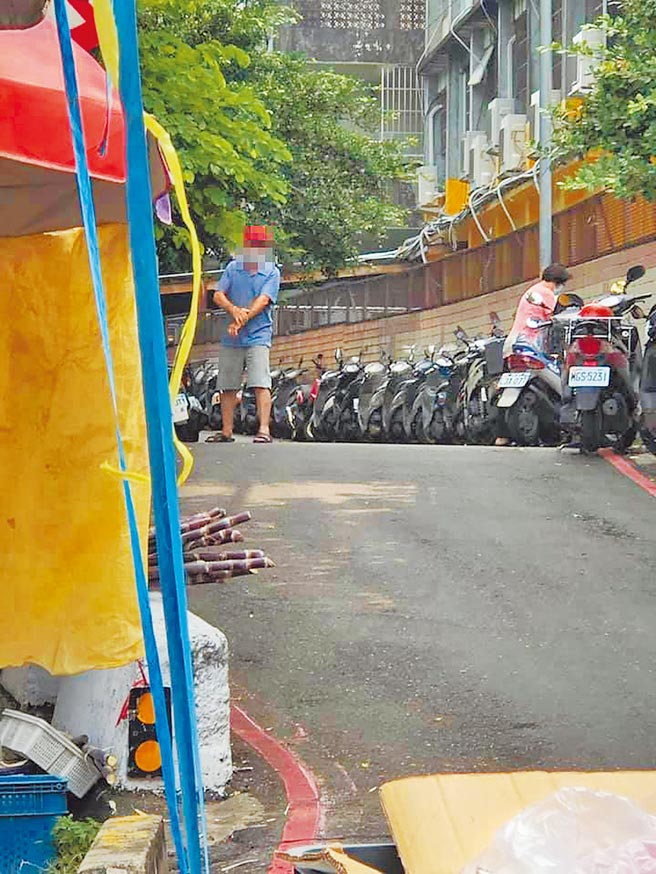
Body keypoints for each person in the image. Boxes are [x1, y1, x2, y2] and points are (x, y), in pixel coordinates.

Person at [207, 225, 280, 444]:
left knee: (260, 382)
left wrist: (242, 318)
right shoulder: (233, 268)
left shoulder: (271, 272)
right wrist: (234, 311)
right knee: (227, 384)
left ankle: (264, 430)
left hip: (258, 335)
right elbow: (218, 295)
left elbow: (263, 300)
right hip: (232, 337)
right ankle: (227, 431)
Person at [496, 263, 571, 446]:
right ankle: (572, 427)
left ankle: (502, 436)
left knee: (507, 389)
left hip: (513, 345)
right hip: (532, 346)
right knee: (565, 387)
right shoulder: (546, 293)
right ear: (558, 282)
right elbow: (558, 317)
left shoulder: (531, 291)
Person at [504, 263, 572, 356]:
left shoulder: (535, 289)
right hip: (529, 341)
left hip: (516, 339)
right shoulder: (546, 293)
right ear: (558, 282)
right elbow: (554, 318)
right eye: (563, 284)